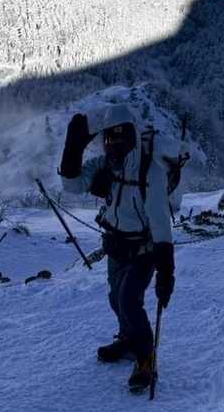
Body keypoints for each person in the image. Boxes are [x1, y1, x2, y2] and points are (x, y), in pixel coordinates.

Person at [58, 103, 175, 393]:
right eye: (110, 137)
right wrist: (73, 148)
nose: (114, 143)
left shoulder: (150, 172)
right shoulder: (107, 165)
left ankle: (146, 358)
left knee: (129, 301)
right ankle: (128, 340)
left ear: (133, 135)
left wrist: (166, 271)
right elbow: (72, 186)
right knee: (115, 299)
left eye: (121, 136)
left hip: (144, 249)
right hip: (115, 244)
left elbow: (161, 222)